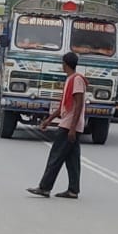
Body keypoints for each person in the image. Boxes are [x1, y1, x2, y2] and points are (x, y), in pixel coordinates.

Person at [27, 52, 87, 199]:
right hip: (68, 122)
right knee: (72, 159)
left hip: (69, 125)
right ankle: (73, 190)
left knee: (56, 156)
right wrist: (49, 120)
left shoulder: (77, 80)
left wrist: (72, 128)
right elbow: (63, 107)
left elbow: (78, 105)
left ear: (65, 64)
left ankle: (45, 187)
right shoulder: (70, 80)